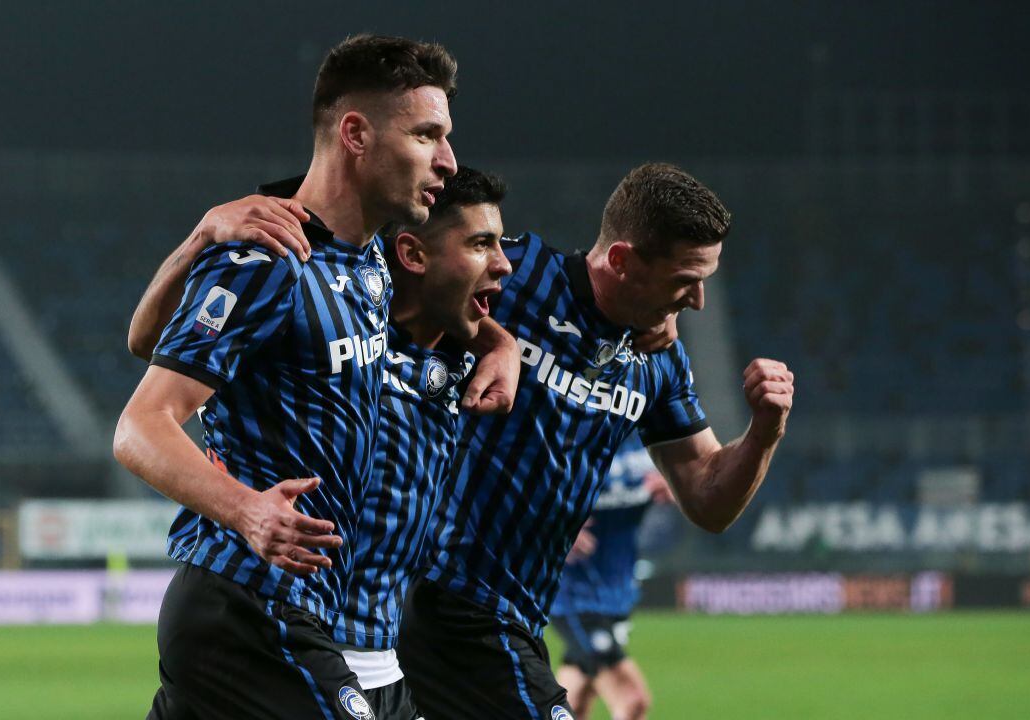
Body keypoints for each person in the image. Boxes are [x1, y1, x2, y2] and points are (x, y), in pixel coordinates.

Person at [114, 35, 515, 719]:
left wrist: (499, 342)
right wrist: (248, 510)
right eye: (427, 136)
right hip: (247, 600)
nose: (447, 161)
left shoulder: (364, 266)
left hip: (298, 610)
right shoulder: (269, 260)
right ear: (355, 133)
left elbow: (153, 337)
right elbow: (140, 425)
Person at [396, 162, 795, 719]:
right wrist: (499, 340)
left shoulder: (658, 361)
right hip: (443, 594)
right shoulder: (516, 273)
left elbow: (707, 498)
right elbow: (399, 257)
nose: (699, 300)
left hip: (518, 615)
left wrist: (763, 432)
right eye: (685, 279)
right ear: (622, 261)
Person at [552, 432, 675, 720]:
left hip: (617, 594)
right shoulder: (567, 436)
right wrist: (554, 527)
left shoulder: (643, 438)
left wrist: (676, 488)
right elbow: (516, 492)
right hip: (573, 596)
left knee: (574, 704)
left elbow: (685, 479)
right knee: (633, 701)